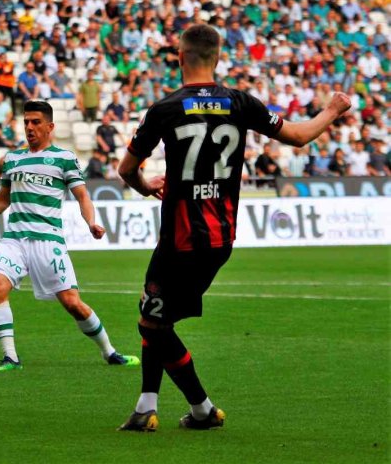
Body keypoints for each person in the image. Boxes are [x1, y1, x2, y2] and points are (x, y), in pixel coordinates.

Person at [116, 24, 352, 432]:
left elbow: (126, 169)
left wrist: (144, 186)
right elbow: (297, 136)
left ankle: (203, 409)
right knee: (158, 316)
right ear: (219, 58)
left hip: (180, 238)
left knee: (150, 322)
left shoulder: (165, 109)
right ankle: (145, 407)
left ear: (179, 57)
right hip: (222, 237)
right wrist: (332, 110)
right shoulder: (240, 102)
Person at [0, 101, 137, 372]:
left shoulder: (64, 158)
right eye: (26, 122)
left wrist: (91, 222)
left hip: (48, 240)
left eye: (35, 122)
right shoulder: (13, 159)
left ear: (50, 126)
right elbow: (3, 201)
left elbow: (83, 196)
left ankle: (109, 352)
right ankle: (11, 357)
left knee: (72, 303)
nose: (29, 128)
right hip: (14, 238)